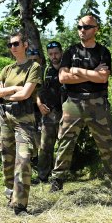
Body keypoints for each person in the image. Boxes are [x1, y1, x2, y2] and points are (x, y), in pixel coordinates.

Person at [50, 15, 112, 195]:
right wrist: (91, 73)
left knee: (106, 142)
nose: (82, 30)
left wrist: (77, 71)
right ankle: (57, 180)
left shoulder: (103, 52)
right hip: (73, 102)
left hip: (97, 102)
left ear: (96, 29)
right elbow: (63, 77)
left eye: (86, 27)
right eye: (79, 27)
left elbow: (103, 77)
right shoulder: (70, 51)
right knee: (65, 142)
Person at [0, 31, 42, 215]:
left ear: (25, 45)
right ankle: (10, 196)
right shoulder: (7, 69)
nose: (12, 47)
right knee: (7, 159)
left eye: (15, 44)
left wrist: (6, 93)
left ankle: (20, 206)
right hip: (5, 118)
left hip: (24, 121)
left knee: (23, 160)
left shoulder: (34, 67)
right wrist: (13, 89)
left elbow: (25, 94)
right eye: (10, 45)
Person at [35, 41, 64, 183]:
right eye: (51, 54)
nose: (54, 56)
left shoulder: (67, 69)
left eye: (56, 53)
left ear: (61, 52)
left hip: (65, 113)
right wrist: (40, 104)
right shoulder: (46, 71)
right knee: (45, 146)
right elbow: (38, 91)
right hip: (49, 114)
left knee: (63, 146)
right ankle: (43, 176)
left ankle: (59, 176)